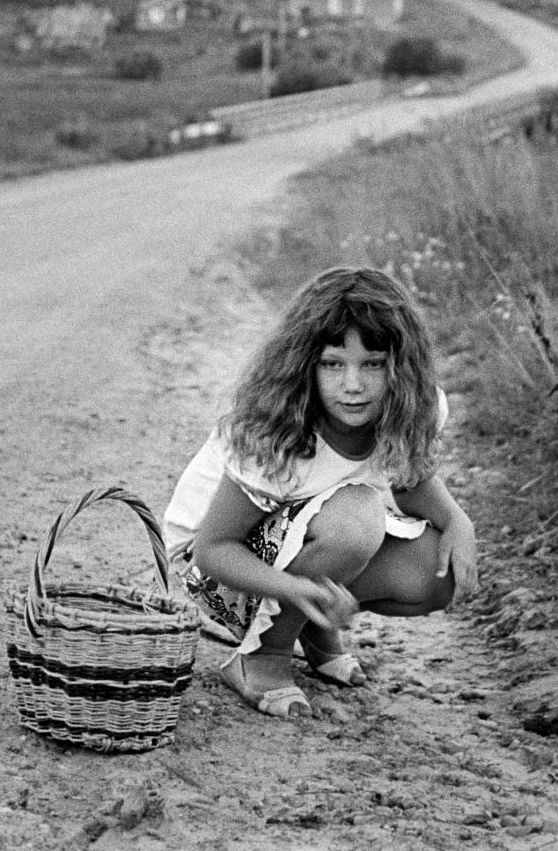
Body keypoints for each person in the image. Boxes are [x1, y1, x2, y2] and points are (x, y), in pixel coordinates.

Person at [162, 266, 478, 718]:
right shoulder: (277, 431)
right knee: (355, 518)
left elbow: (410, 479)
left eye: (373, 364)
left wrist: (456, 521)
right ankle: (261, 658)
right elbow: (213, 549)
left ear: (401, 367)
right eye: (333, 363)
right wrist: (291, 589)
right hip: (215, 568)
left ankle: (306, 628)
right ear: (304, 364)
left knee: (434, 575)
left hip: (297, 539)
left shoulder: (417, 404)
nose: (353, 385)